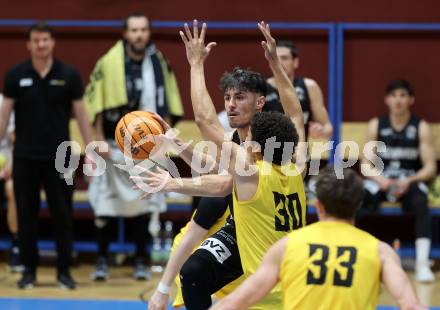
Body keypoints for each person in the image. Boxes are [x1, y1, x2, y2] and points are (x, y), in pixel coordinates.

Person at [133, 21, 305, 310]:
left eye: (240, 97)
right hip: (254, 229)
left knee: (206, 218)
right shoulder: (294, 160)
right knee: (193, 271)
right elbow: (296, 114)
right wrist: (177, 144)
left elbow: (207, 130)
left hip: (262, 249)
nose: (231, 105)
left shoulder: (250, 165)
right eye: (228, 98)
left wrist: (195, 64)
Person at [210, 168, 426, 310]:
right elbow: (410, 305)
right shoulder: (381, 251)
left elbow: (235, 302)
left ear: (319, 206)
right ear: (358, 205)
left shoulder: (287, 246)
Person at [84, 12, 184, 281]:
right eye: (134, 30)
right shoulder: (108, 63)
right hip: (111, 144)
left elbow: (169, 105)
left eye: (143, 30)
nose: (139, 34)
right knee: (105, 203)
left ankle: (141, 258)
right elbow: (93, 106)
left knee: (145, 202)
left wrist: (164, 141)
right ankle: (102, 259)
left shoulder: (159, 63)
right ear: (125, 34)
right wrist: (95, 142)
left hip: (147, 146)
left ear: (148, 33)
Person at [0, 22, 94, 289]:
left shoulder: (69, 75)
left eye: (45, 40)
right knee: (26, 215)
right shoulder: (15, 75)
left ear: (52, 43)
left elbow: (82, 116)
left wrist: (91, 151)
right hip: (25, 157)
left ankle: (64, 270)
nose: (41, 44)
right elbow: (4, 116)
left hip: (61, 158)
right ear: (29, 44)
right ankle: (29, 270)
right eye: (36, 40)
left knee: (63, 214)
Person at [361, 79, 437, 283]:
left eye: (403, 95)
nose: (398, 100)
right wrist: (380, 179)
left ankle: (421, 264)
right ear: (387, 100)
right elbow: (365, 164)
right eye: (394, 96)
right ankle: (363, 259)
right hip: (382, 181)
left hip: (408, 182)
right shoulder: (376, 125)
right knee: (360, 199)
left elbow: (430, 166)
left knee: (421, 202)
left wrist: (410, 180)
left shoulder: (420, 127)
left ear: (411, 100)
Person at [264, 40, 332, 140]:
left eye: (284, 58)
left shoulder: (309, 86)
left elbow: (328, 127)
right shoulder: (261, 88)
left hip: (299, 153)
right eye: (275, 58)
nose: (279, 63)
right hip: (267, 153)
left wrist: (321, 131)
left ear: (295, 62)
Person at [0, 93, 22, 272]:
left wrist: (10, 164)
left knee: (13, 189)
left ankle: (16, 245)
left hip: (6, 166)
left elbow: (14, 141)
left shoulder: (4, 102)